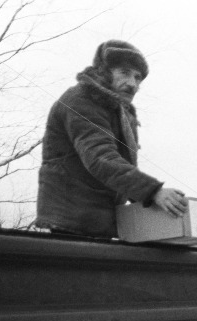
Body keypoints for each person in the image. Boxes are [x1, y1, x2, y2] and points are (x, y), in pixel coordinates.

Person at [36, 40, 188, 237]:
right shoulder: (81, 100)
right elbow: (101, 158)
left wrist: (153, 204)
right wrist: (153, 192)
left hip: (103, 222)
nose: (133, 84)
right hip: (72, 222)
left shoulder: (121, 112)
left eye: (138, 77)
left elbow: (122, 168)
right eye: (124, 72)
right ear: (104, 72)